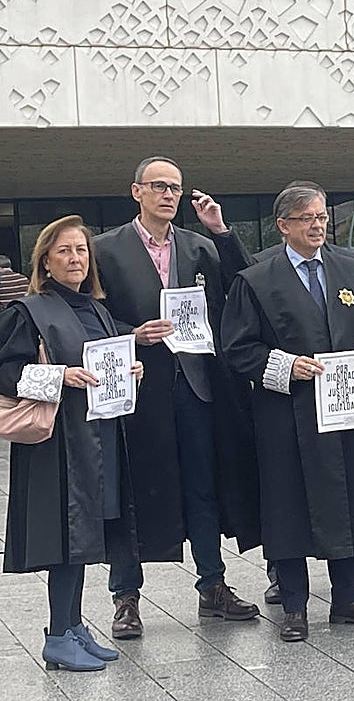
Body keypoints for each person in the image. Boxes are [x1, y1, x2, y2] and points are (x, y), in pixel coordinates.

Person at [93, 157, 260, 641]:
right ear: (136, 191)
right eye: (159, 186)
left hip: (195, 384)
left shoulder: (200, 246)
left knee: (202, 485)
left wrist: (223, 232)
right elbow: (90, 315)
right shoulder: (106, 250)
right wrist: (131, 334)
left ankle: (212, 584)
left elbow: (241, 291)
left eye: (176, 188)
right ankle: (126, 597)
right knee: (132, 491)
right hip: (138, 385)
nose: (169, 194)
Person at [221, 185, 354, 642]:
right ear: (283, 225)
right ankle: (294, 604)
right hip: (287, 414)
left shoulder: (351, 269)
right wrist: (286, 365)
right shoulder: (256, 278)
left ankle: (349, 597)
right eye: (306, 218)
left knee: (349, 496)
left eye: (321, 217)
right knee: (289, 506)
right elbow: (237, 349)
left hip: (345, 410)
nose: (318, 225)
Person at [0, 216, 143, 671]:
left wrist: (128, 370)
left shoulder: (96, 309)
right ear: (45, 259)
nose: (75, 259)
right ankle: (58, 633)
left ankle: (75, 626)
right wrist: (59, 376)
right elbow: (6, 373)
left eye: (81, 250)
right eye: (64, 251)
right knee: (66, 537)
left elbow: (101, 364)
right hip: (56, 446)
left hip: (97, 440)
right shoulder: (27, 311)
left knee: (85, 537)